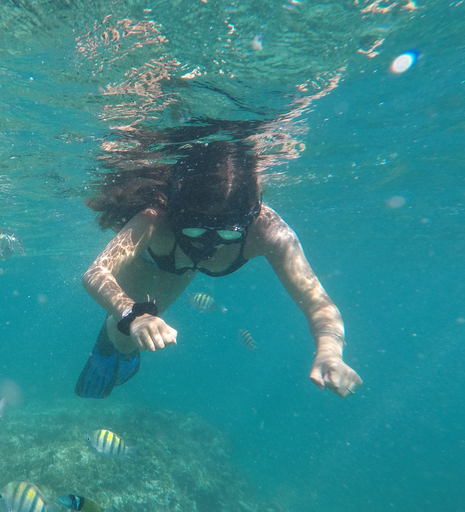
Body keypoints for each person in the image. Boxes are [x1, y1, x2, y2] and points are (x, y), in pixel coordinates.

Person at [75, 123, 363, 399]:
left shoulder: (268, 230)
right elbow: (97, 272)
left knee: (139, 326)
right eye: (194, 229)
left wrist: (329, 351)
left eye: (227, 233)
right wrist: (134, 314)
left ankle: (121, 345)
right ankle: (110, 345)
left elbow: (317, 302)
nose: (207, 243)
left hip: (180, 268)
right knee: (126, 331)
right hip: (150, 262)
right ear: (178, 210)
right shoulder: (156, 218)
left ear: (248, 217)